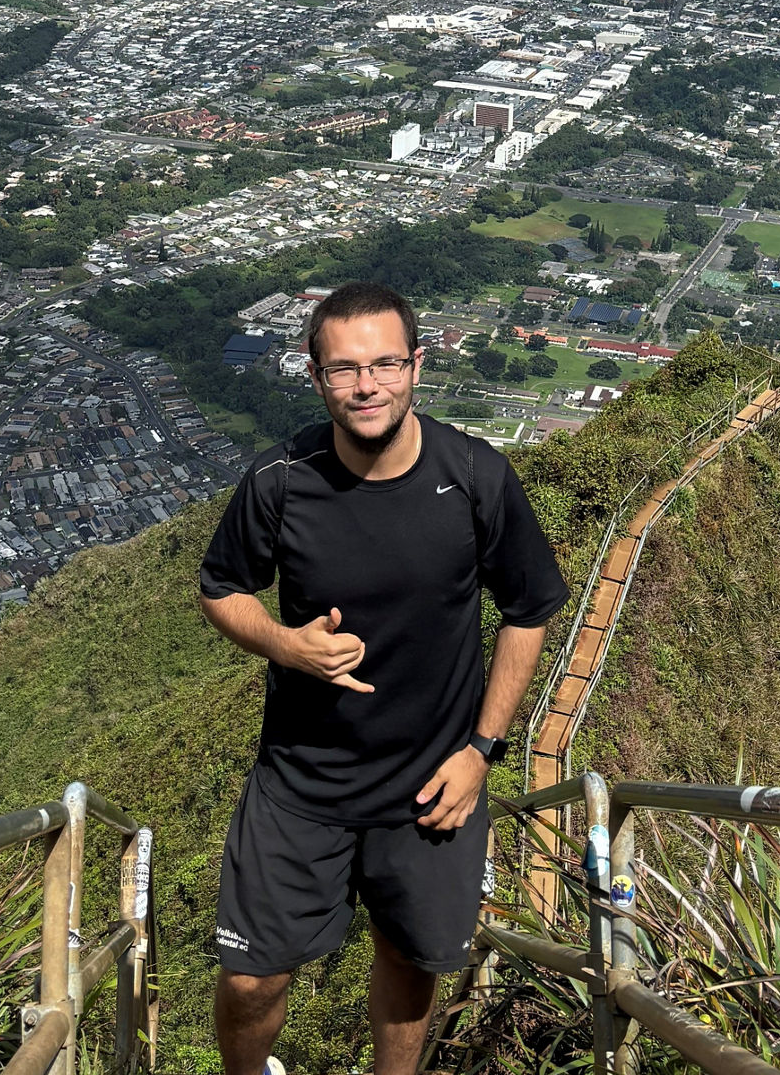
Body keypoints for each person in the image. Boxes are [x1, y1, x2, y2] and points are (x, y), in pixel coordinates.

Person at [198, 280, 570, 1075]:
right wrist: (284, 645)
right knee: (252, 975)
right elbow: (221, 589)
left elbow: (529, 609)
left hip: (433, 786)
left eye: (385, 364)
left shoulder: (475, 477)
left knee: (411, 963)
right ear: (315, 375)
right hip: (301, 782)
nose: (365, 385)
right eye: (343, 369)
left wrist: (481, 752)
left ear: (417, 367)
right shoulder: (279, 481)